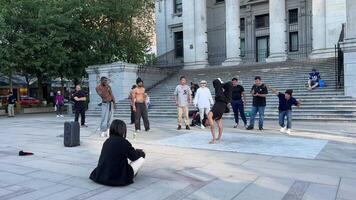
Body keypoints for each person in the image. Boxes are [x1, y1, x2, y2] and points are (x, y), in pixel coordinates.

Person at [89, 119, 146, 186]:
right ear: (123, 130)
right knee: (141, 158)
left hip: (101, 175)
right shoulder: (123, 142)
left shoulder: (107, 141)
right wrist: (141, 152)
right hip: (117, 178)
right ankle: (131, 175)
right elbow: (134, 157)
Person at [207, 78, 232, 144]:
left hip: (219, 98)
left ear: (206, 120)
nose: (208, 124)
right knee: (230, 84)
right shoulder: (217, 118)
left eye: (207, 123)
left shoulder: (209, 115)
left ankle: (220, 84)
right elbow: (220, 127)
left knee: (216, 81)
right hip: (226, 101)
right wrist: (219, 137)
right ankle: (222, 85)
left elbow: (212, 127)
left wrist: (213, 139)